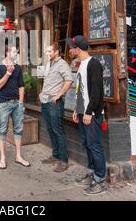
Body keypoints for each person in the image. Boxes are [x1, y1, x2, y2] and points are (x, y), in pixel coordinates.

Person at [67, 35, 107, 195]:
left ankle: (100, 179)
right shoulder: (81, 64)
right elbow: (80, 91)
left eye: (71, 47)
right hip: (83, 113)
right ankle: (91, 172)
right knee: (87, 144)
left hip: (92, 114)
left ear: (78, 49)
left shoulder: (93, 64)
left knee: (95, 146)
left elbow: (97, 91)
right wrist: (77, 109)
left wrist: (89, 112)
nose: (70, 49)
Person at [0, 46, 30, 169]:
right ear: (7, 52)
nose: (16, 53)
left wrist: (20, 102)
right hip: (4, 103)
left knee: (18, 129)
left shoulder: (18, 68)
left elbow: (21, 86)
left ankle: (18, 156)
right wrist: (8, 72)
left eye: (17, 51)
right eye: (14, 51)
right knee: (2, 129)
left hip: (16, 103)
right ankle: (2, 158)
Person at [39, 42, 73, 173]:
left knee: (58, 130)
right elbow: (48, 80)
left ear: (57, 52)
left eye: (49, 51)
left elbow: (69, 80)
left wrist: (59, 95)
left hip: (54, 102)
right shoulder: (49, 63)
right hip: (45, 100)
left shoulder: (62, 64)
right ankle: (55, 155)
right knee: (50, 129)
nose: (47, 53)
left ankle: (64, 161)